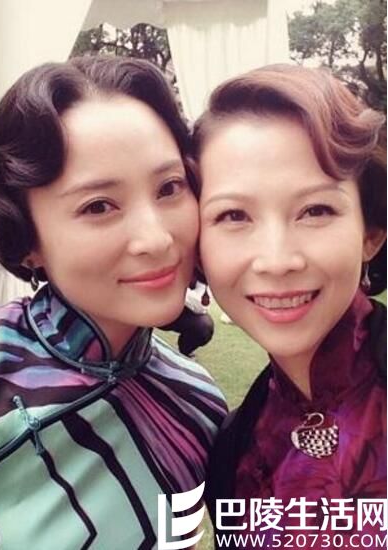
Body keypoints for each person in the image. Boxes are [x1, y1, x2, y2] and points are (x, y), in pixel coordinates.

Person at [0, 56, 227, 549]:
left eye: (169, 188)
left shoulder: (199, 402)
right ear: (26, 237)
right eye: (98, 206)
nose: (156, 239)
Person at [194, 64, 386, 546]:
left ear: (370, 233)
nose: (277, 261)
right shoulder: (230, 453)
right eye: (233, 215)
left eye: (315, 210)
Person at [160, 279, 214, 357]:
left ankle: (185, 352)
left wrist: (175, 289)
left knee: (203, 325)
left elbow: (201, 304)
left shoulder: (200, 273)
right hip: (148, 304)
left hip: (175, 313)